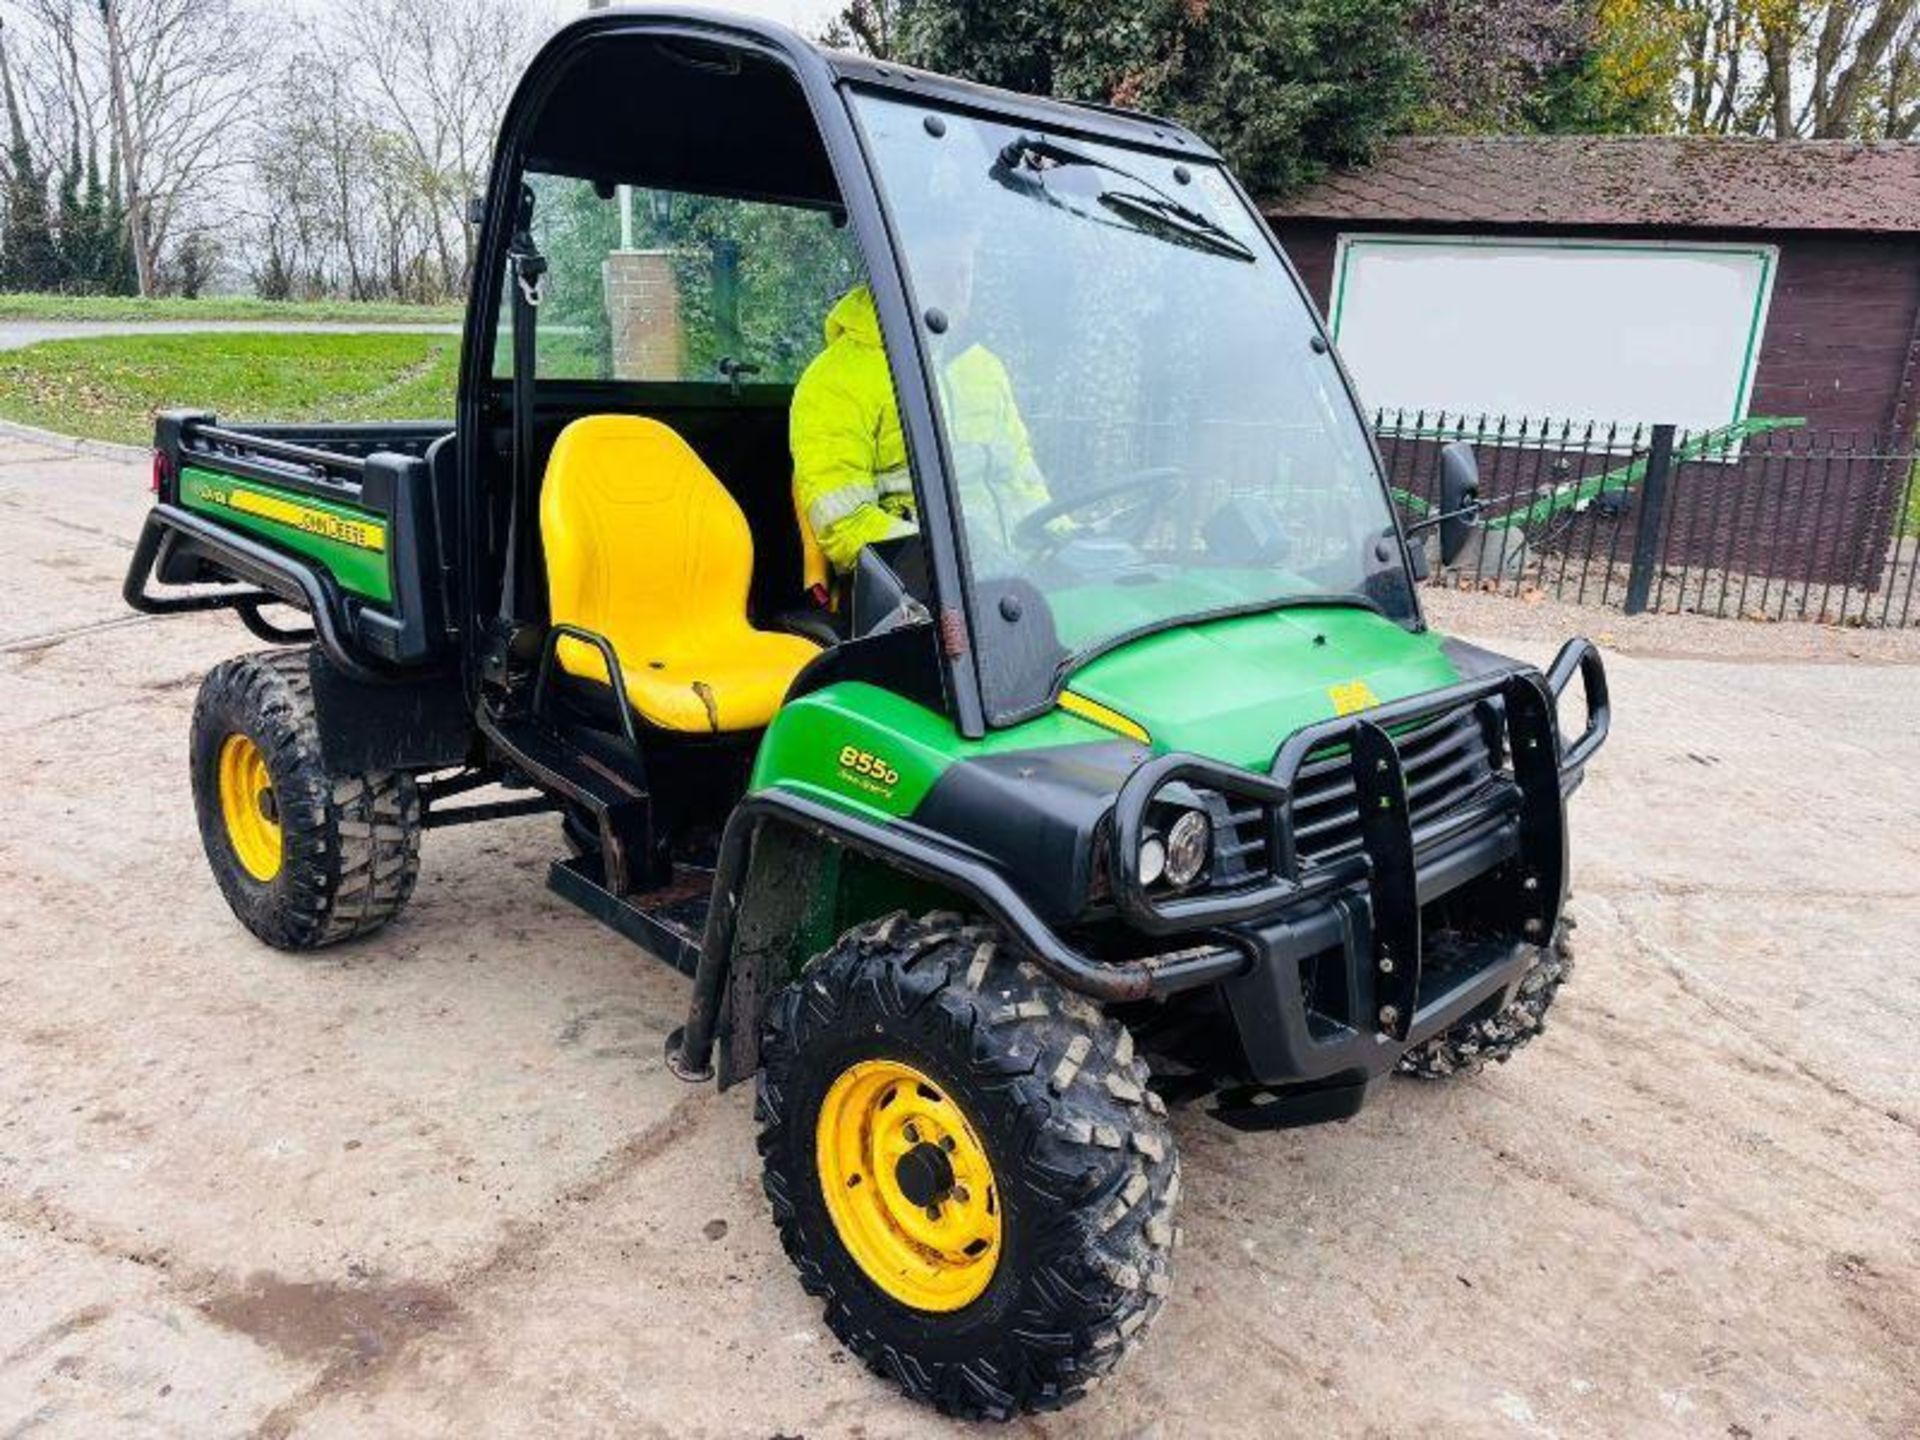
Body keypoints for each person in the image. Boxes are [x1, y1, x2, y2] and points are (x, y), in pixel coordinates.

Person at [790, 237, 1051, 578]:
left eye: (965, 272)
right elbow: (843, 522)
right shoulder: (834, 380)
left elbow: (1023, 478)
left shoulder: (985, 367)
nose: (961, 288)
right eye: (943, 272)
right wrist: (951, 560)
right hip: (924, 591)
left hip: (1019, 577)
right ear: (900, 273)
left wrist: (1061, 536)